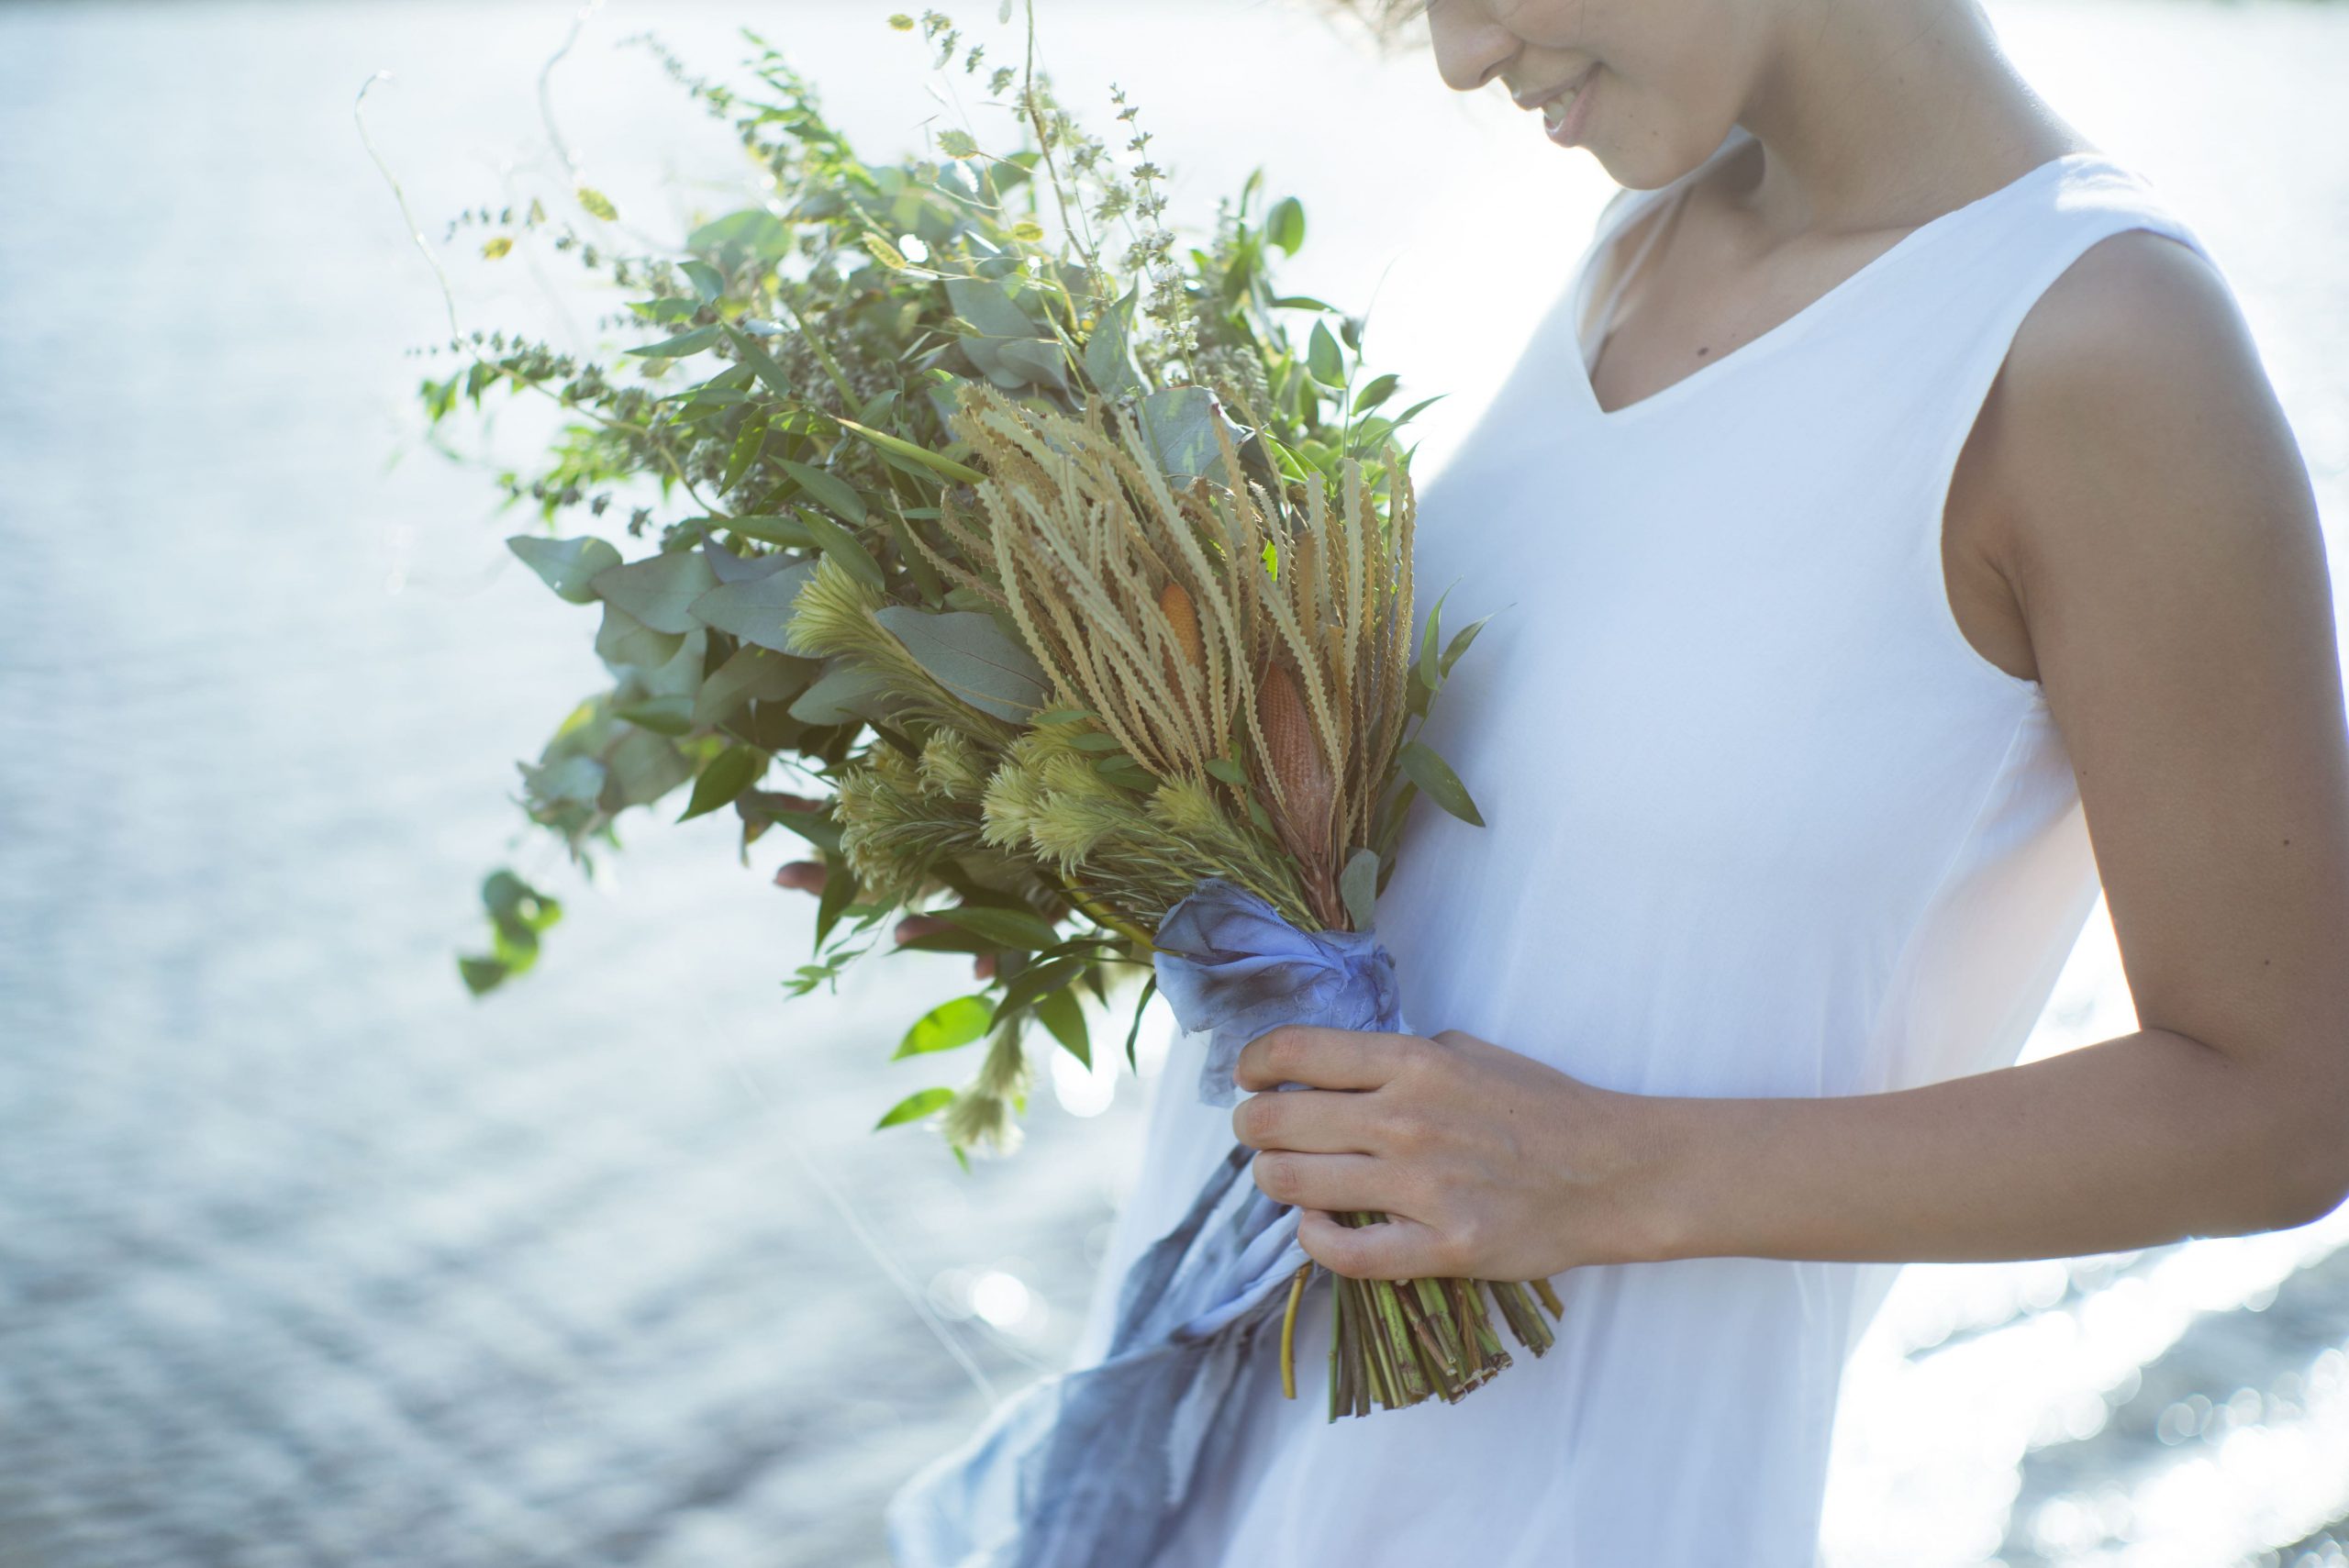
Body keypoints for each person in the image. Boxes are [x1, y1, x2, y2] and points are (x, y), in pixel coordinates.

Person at [1067, 0, 2349, 1563]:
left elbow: (2289, 1103)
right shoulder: (1643, 235)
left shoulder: (2102, 345)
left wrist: (1615, 1170)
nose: (1461, 58)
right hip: (1223, 1450)